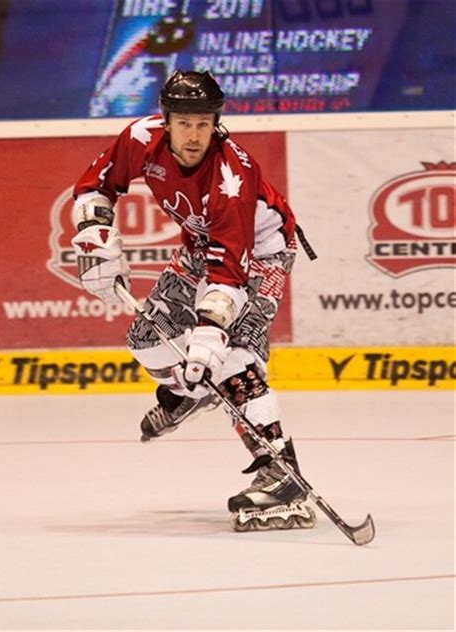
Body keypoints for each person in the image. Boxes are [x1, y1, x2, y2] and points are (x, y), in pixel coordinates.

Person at [71, 70, 316, 531]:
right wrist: (94, 233)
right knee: (145, 338)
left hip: (259, 251)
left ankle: (282, 474)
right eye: (184, 123)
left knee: (232, 358)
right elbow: (95, 185)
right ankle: (188, 391)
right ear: (166, 121)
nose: (194, 135)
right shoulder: (141, 138)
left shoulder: (233, 176)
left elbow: (230, 271)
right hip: (200, 248)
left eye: (204, 124)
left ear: (216, 123)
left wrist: (209, 336)